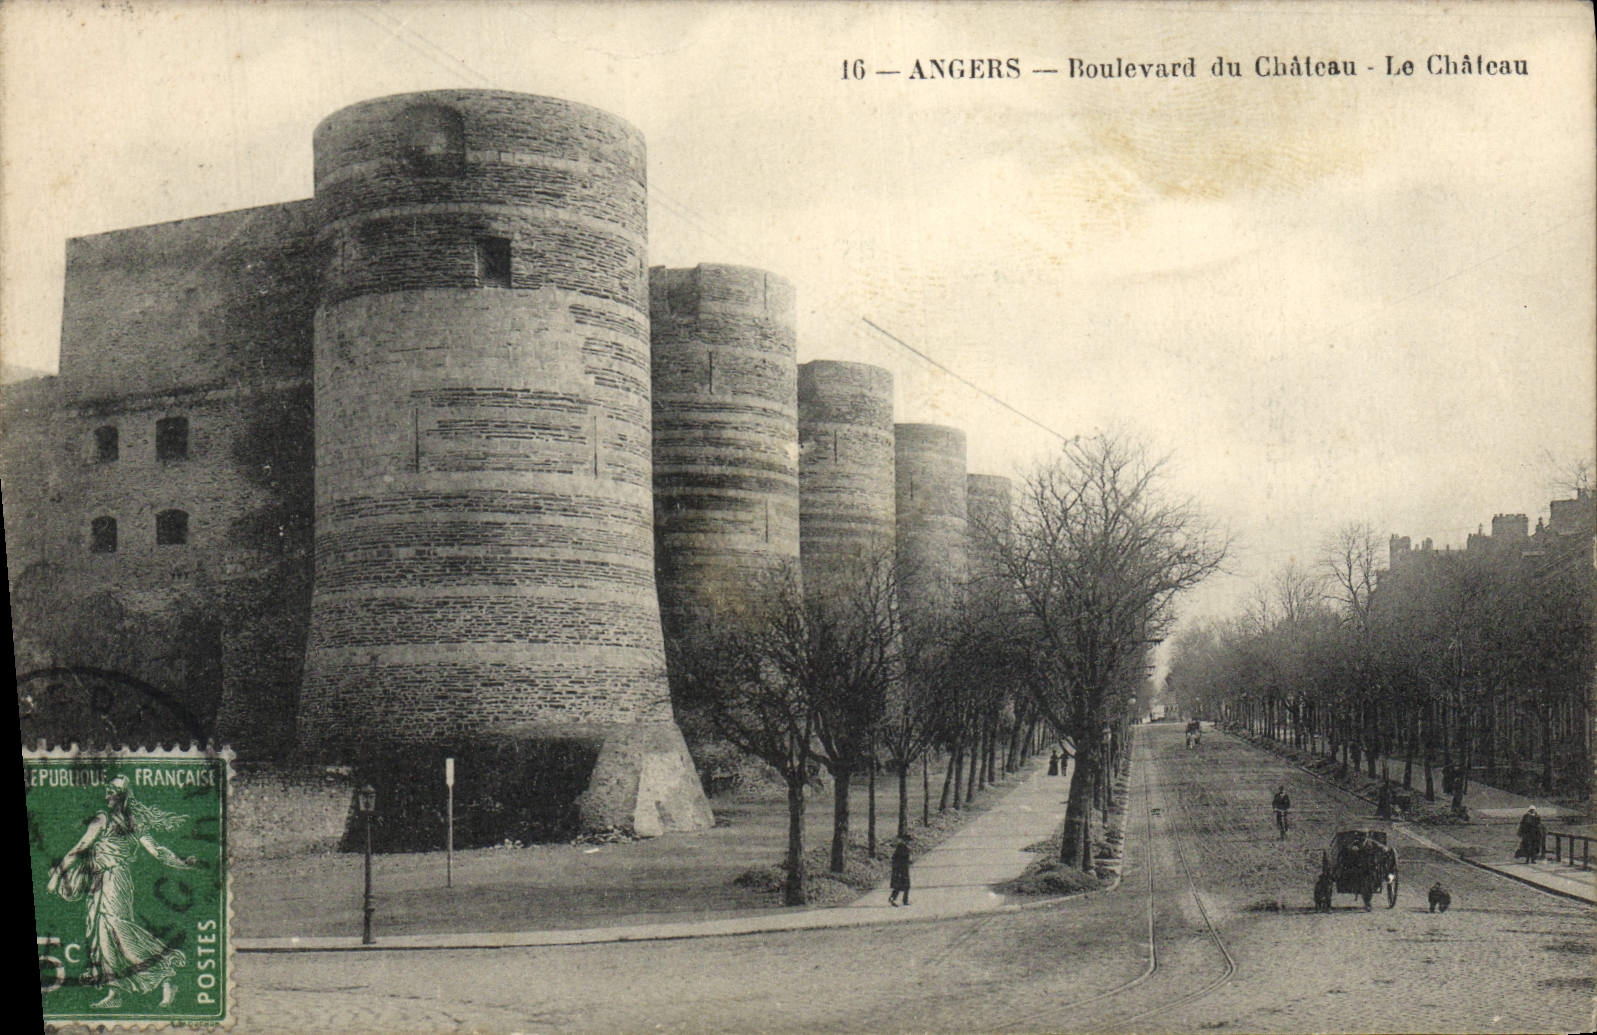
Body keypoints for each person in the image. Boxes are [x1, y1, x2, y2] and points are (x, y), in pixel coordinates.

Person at [47, 775, 196, 1009]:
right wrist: (59, 873)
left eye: (112, 790)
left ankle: (165, 973)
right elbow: (81, 848)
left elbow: (155, 850)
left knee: (118, 930)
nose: (107, 793)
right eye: (107, 789)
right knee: (102, 934)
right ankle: (114, 992)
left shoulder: (127, 821)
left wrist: (181, 862)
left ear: (123, 795)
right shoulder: (106, 819)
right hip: (99, 880)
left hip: (115, 879)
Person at [888, 839, 912, 906]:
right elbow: (900, 859)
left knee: (900, 886)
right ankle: (903, 900)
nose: (908, 842)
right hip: (901, 870)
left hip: (901, 869)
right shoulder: (902, 848)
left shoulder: (901, 848)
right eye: (907, 841)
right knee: (904, 885)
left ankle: (894, 898)